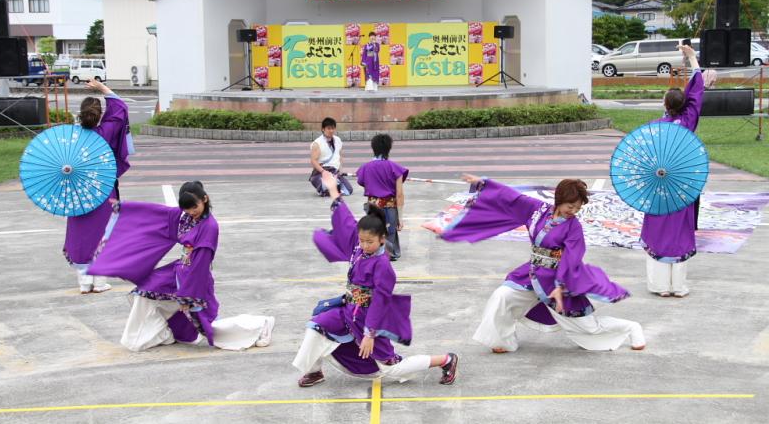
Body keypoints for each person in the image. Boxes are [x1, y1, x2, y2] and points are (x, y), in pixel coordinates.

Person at [441, 175, 645, 353]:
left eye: (577, 207)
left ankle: (631, 328)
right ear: (559, 200)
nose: (573, 211)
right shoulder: (538, 210)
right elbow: (513, 198)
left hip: (559, 279)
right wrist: (484, 184)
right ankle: (503, 341)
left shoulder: (574, 227)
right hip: (531, 273)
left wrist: (560, 286)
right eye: (570, 206)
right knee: (502, 296)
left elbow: (572, 258)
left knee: (588, 328)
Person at [293, 171, 458, 387]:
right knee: (316, 326)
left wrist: (369, 334)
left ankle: (446, 360)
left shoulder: (383, 266)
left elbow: (380, 302)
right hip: (347, 312)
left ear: (382, 239)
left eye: (369, 242)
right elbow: (344, 218)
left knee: (391, 370)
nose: (363, 245)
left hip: (370, 320)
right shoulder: (360, 245)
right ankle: (314, 371)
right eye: (361, 240)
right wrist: (333, 189)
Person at [87, 181, 275, 352]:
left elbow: (201, 263)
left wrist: (189, 291)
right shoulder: (185, 216)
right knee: (145, 291)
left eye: (195, 207)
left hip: (195, 278)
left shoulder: (209, 227)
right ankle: (157, 334)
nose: (192, 212)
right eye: (187, 209)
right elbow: (155, 212)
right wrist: (126, 208)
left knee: (209, 328)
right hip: (179, 270)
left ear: (205, 199)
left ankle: (261, 325)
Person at [640, 44, 715, 297]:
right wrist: (692, 58)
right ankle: (678, 287)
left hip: (659, 186)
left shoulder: (654, 127)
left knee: (658, 232)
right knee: (680, 232)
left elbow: (644, 158)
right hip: (682, 186)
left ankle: (660, 286)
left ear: (665, 103)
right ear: (684, 105)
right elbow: (697, 92)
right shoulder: (688, 121)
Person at [64, 80, 131, 293]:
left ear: (80, 115)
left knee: (80, 233)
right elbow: (121, 108)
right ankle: (100, 282)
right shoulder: (106, 131)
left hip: (79, 193)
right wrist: (103, 89)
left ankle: (84, 284)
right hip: (104, 192)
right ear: (99, 114)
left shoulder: (71, 138)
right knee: (104, 233)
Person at [356, 134, 408, 261]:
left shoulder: (365, 168)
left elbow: (362, 182)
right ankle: (389, 252)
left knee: (374, 230)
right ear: (389, 149)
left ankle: (374, 251)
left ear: (373, 148)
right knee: (390, 231)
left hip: (372, 207)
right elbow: (399, 194)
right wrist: (400, 218)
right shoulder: (396, 168)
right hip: (389, 207)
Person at [309, 117, 353, 197]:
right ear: (323, 129)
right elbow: (313, 161)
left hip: (334, 172)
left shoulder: (338, 140)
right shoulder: (317, 143)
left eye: (333, 128)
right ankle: (329, 188)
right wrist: (323, 172)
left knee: (349, 190)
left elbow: (340, 156)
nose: (331, 131)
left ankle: (335, 187)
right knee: (325, 188)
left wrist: (340, 169)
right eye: (328, 128)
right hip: (321, 172)